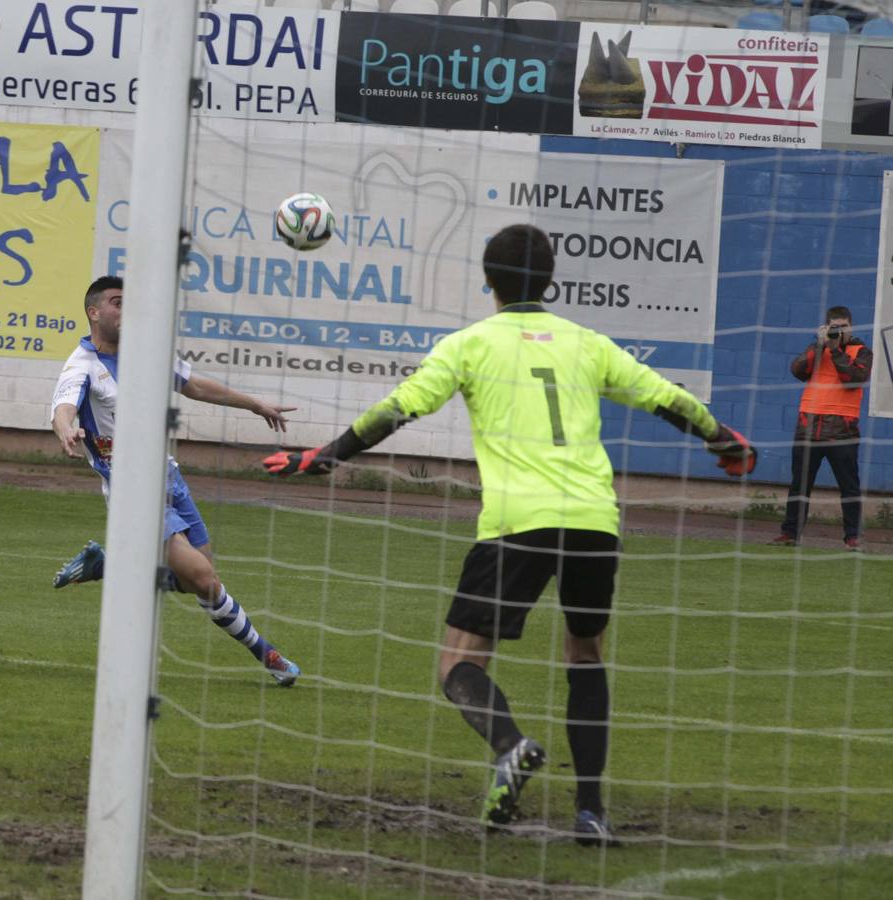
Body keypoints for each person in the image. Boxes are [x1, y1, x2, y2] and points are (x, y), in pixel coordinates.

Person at [264, 224, 757, 845]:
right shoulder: (586, 343)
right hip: (593, 522)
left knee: (459, 663)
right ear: (551, 280)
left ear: (486, 280)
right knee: (585, 656)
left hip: (517, 523)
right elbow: (663, 397)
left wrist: (326, 455)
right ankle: (591, 813)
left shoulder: (470, 345)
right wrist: (722, 438)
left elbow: (401, 407)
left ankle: (511, 746)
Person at [51, 275, 303, 686]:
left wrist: (254, 403)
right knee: (202, 577)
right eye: (117, 302)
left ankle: (109, 567)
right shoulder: (82, 368)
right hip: (132, 488)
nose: (125, 309)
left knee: (202, 582)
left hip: (169, 477)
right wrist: (66, 430)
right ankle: (270, 656)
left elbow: (194, 385)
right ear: (93, 312)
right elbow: (63, 406)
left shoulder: (145, 353)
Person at [773, 306, 871, 550]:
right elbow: (797, 371)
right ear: (827, 327)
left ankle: (852, 537)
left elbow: (853, 379)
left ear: (852, 327)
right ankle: (790, 533)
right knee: (799, 486)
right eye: (835, 327)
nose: (840, 331)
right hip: (809, 429)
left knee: (849, 487)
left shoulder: (862, 351)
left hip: (842, 432)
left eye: (844, 326)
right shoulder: (817, 349)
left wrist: (835, 350)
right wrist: (819, 345)